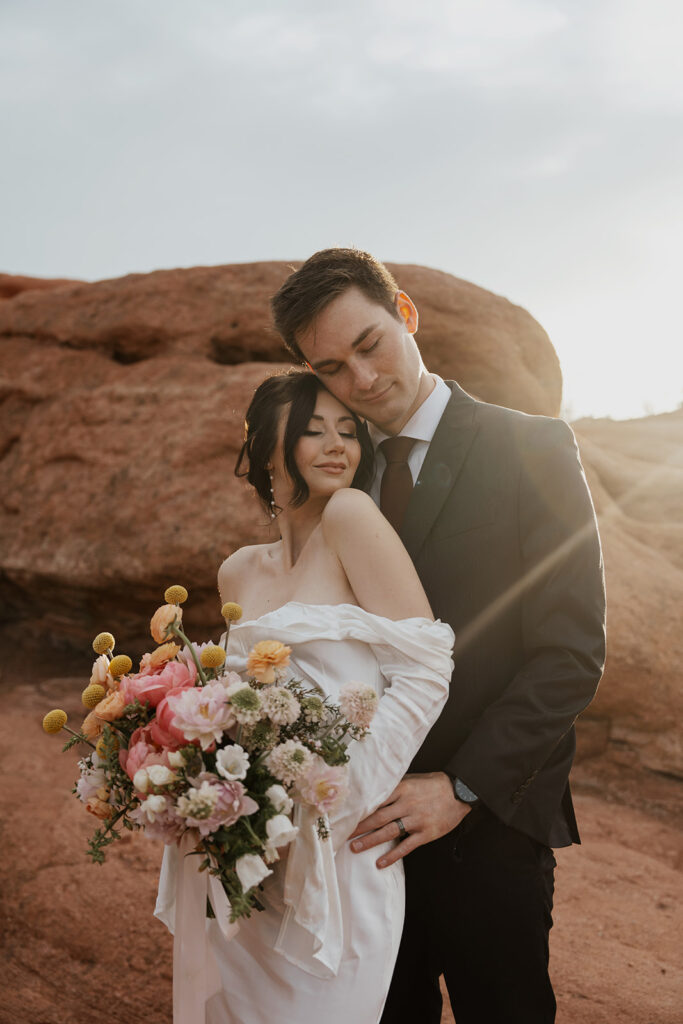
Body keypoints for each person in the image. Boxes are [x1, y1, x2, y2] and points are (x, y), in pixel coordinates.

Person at [270, 248, 607, 1024]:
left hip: (486, 825)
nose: (360, 380)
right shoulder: (334, 474)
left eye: (369, 344)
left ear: (406, 315)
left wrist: (459, 789)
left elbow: (570, 652)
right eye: (330, 366)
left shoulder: (532, 447)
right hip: (355, 832)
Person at [156, 369, 454, 1024]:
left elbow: (428, 666)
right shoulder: (236, 568)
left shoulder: (351, 516)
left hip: (338, 853)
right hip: (247, 851)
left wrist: (341, 798)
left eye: (348, 431)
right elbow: (234, 700)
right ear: (266, 448)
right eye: (313, 429)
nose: (336, 445)